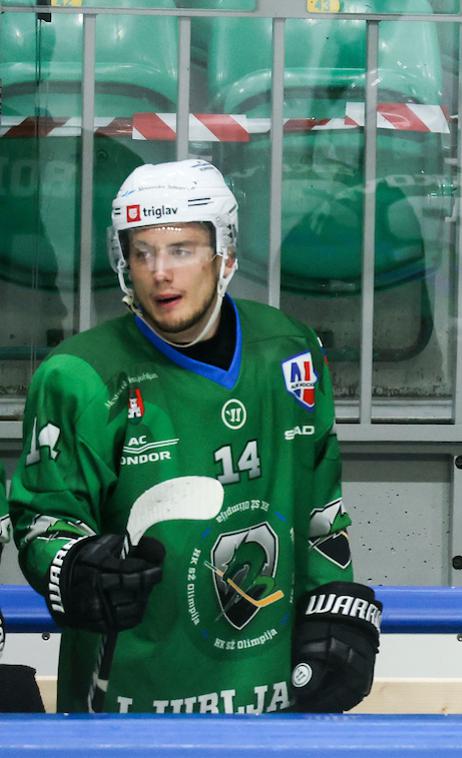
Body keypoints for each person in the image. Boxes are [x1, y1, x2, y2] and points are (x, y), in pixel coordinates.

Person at [9, 159, 381, 713]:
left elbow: (320, 506)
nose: (161, 271)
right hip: (128, 701)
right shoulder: (78, 377)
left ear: (224, 253)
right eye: (142, 252)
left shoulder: (290, 351)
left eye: (181, 249)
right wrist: (76, 566)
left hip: (273, 688)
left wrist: (334, 607)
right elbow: (42, 520)